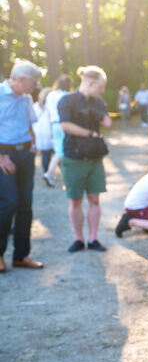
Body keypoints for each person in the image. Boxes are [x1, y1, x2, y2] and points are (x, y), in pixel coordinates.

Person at [59, 65, 111, 253]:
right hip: (74, 157)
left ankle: (93, 238)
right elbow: (65, 126)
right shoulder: (67, 101)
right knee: (75, 200)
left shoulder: (98, 102)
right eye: (100, 87)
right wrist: (89, 133)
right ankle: (78, 238)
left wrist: (94, 111)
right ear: (90, 83)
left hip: (95, 158)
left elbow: (107, 121)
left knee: (95, 199)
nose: (102, 91)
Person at [0, 60, 45, 272]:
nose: (35, 86)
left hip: (25, 154)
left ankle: (21, 255)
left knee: (26, 205)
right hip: (4, 155)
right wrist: (2, 158)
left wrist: (32, 145)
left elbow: (29, 124)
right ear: (21, 79)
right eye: (33, 82)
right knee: (9, 202)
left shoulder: (26, 98)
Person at [42, 74, 73, 188]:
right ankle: (49, 173)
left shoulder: (51, 95)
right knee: (62, 151)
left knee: (59, 150)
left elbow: (47, 110)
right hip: (64, 124)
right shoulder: (67, 96)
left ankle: (60, 175)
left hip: (54, 125)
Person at [33, 88, 55, 176]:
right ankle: (49, 173)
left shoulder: (35, 106)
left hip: (39, 132)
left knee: (45, 155)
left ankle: (46, 172)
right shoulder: (51, 106)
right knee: (58, 153)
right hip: (49, 132)